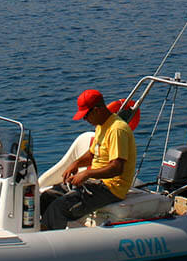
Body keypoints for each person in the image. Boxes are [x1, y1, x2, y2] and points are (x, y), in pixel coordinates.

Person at [40, 89, 136, 230]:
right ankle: (39, 232)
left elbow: (117, 167)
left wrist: (86, 174)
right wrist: (76, 163)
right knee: (47, 197)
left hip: (110, 189)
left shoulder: (117, 130)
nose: (85, 120)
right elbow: (92, 153)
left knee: (60, 207)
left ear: (97, 110)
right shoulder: (101, 125)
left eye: (85, 115)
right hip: (94, 183)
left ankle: (51, 242)